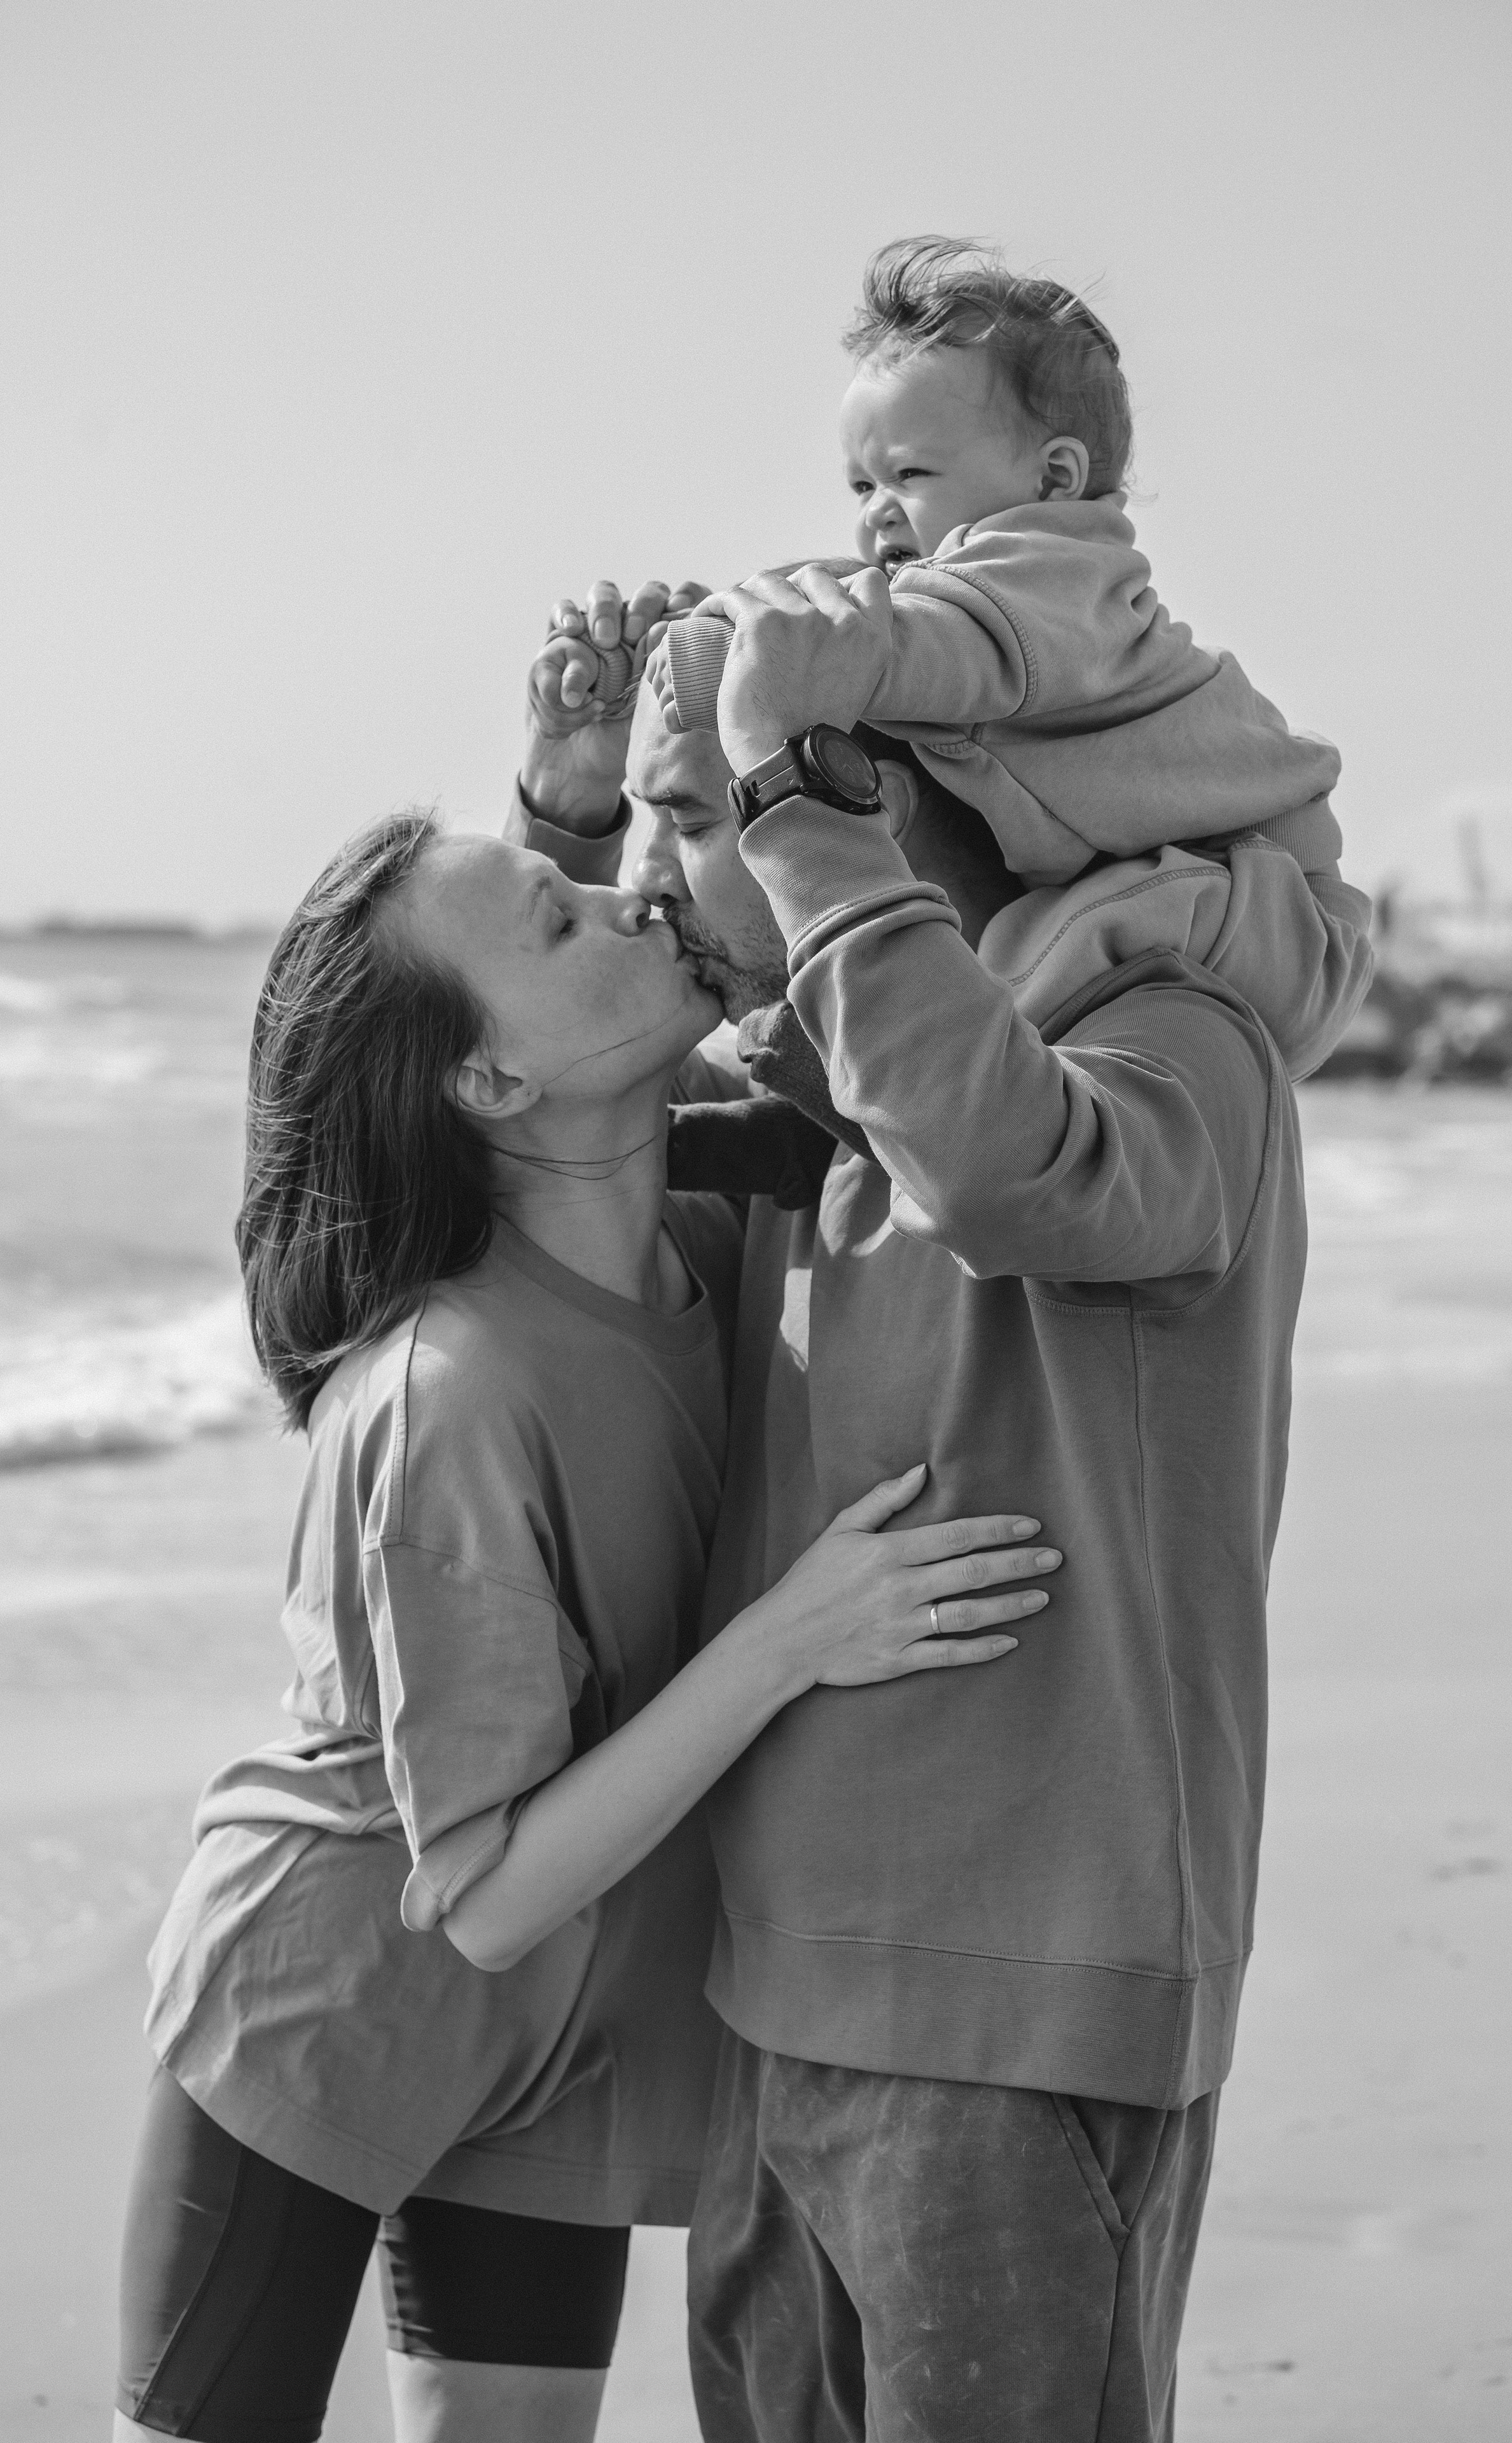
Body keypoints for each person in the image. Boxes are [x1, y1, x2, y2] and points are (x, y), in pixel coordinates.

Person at [515, 557, 1342, 2440]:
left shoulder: (1180, 1037)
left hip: (1021, 2005)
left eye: (692, 813)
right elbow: (532, 1119)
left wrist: (798, 826)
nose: (648, 878)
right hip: (767, 1984)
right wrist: (567, 806)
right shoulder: (801, 1090)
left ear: (850, 811)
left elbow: (1013, 1175)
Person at [112, 798, 1057, 2443]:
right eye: (561, 914)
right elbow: (472, 1893)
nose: (625, 902)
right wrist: (791, 1637)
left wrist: (563, 801)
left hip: (572, 2021)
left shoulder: (713, 1245)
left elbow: (888, 1088)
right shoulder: (449, 1394)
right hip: (338, 1993)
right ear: (487, 1085)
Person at [649, 237, 1371, 1084]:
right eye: (859, 487)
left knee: (992, 1007)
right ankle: (837, 1125)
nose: (874, 515)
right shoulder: (1021, 589)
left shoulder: (1048, 576)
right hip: (1227, 893)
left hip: (1263, 901)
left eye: (908, 474)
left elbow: (903, 653)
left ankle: (908, 1102)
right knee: (1002, 972)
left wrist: (729, 656)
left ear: (1053, 478)